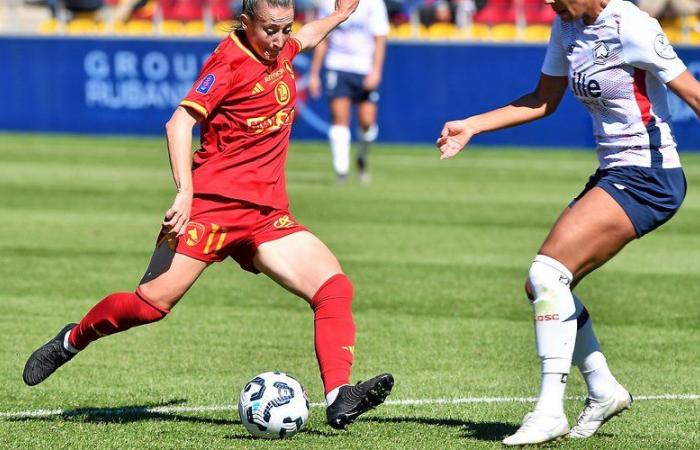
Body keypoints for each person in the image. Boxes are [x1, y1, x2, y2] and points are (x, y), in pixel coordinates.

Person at [23, 0, 394, 431]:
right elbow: (178, 123)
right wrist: (184, 191)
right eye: (270, 30)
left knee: (333, 288)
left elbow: (305, 38)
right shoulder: (230, 61)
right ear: (245, 23)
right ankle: (73, 339)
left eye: (285, 28)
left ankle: (337, 397)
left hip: (265, 214)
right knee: (149, 306)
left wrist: (338, 17)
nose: (279, 39)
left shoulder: (281, 47)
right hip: (211, 209)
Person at [436, 0, 700, 445]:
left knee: (547, 274)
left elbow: (693, 94)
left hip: (650, 177)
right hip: (617, 173)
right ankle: (603, 390)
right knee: (540, 286)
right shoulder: (566, 27)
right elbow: (543, 100)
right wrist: (472, 126)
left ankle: (549, 411)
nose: (548, 2)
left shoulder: (633, 25)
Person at [308, 0, 389, 183]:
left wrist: (376, 70)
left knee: (367, 122)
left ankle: (362, 157)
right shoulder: (327, 3)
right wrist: (314, 74)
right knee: (339, 118)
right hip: (336, 65)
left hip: (364, 68)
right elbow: (322, 38)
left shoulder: (374, 4)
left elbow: (380, 38)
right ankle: (341, 171)